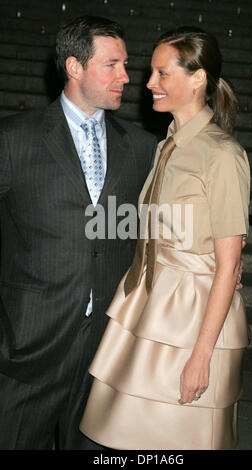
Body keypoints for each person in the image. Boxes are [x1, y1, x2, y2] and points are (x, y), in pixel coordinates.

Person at [80, 28, 250, 450]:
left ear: (197, 79)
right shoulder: (166, 147)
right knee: (120, 438)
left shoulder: (223, 155)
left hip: (192, 323)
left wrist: (201, 356)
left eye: (161, 73)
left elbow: (228, 264)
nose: (149, 84)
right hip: (151, 305)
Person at [0, 16, 157, 449]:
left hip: (105, 349)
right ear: (74, 67)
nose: (127, 76)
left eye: (125, 64)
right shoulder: (14, 139)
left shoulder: (141, 148)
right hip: (29, 343)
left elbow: (157, 228)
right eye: (113, 65)